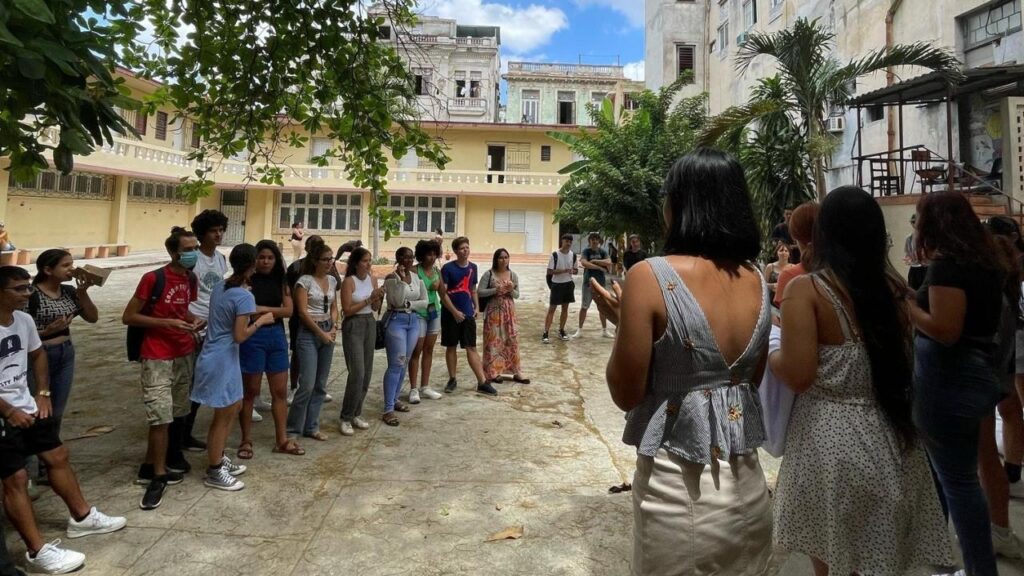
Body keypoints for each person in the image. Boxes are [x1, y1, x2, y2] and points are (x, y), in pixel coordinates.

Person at [590, 148, 772, 574]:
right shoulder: (758, 279)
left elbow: (625, 392)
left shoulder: (649, 276)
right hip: (749, 490)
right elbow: (746, 381)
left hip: (677, 495)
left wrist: (626, 327)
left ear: (680, 205)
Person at [770, 186, 953, 576]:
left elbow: (799, 373)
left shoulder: (809, 290)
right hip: (892, 436)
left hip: (830, 447)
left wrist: (770, 354)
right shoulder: (893, 290)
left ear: (824, 234)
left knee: (834, 563)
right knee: (880, 560)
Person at [0, 266, 127, 574]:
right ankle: (36, 550)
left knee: (57, 455)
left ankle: (82, 518)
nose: (27, 294)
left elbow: (38, 354)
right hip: (5, 416)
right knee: (15, 479)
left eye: (28, 287)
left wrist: (42, 393)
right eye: (19, 289)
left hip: (27, 404)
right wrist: (8, 411)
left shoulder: (24, 320)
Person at [907, 191, 1008, 576]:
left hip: (948, 379)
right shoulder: (985, 263)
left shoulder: (948, 267)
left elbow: (946, 330)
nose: (916, 227)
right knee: (944, 476)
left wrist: (910, 308)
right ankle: (942, 566)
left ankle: (979, 569)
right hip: (976, 373)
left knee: (959, 482)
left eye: (918, 219)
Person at [122, 227, 202, 509]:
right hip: (156, 355)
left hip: (183, 352)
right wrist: (166, 324)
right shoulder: (153, 279)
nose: (192, 253)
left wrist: (194, 322)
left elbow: (182, 311)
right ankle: (158, 473)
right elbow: (129, 316)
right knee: (160, 414)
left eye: (195, 248)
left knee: (177, 411)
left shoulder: (190, 278)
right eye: (187, 249)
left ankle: (151, 463)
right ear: (172, 252)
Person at [192, 244, 275, 491]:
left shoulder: (221, 287)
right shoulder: (244, 296)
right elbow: (240, 335)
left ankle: (218, 457)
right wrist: (261, 321)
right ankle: (215, 470)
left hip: (218, 356)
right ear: (252, 266)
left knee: (235, 406)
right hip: (222, 359)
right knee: (224, 415)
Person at [978, 216, 1024, 558]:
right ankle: (1012, 473)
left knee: (979, 454)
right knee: (1011, 409)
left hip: (995, 361)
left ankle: (1010, 474)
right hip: (1005, 355)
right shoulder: (1006, 273)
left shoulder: (988, 274)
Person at [237, 240, 300, 458]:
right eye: (261, 257)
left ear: (276, 260)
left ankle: (281, 439)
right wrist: (271, 312)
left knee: (280, 392)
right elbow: (245, 312)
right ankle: (245, 440)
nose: (265, 261)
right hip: (252, 336)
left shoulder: (281, 281)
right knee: (250, 392)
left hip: (276, 337)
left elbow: (289, 310)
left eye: (270, 257)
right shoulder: (246, 282)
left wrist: (262, 310)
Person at [27, 250, 98, 429]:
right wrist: (46, 332)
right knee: (37, 406)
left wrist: (82, 292)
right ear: (48, 270)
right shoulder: (31, 295)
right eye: (65, 266)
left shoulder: (69, 291)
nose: (71, 270)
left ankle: (51, 451)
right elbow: (18, 331)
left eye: (72, 265)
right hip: (38, 354)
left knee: (57, 410)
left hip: (65, 353)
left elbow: (92, 317)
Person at [184, 209, 231, 449]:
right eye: (213, 231)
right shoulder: (192, 259)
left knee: (201, 381)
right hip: (193, 325)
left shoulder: (221, 259)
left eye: (221, 230)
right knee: (188, 382)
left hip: (214, 327)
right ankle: (180, 434)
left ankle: (186, 433)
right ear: (202, 234)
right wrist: (189, 318)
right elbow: (182, 293)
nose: (218, 235)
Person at [286, 242, 338, 442]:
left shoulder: (332, 281)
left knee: (320, 384)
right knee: (306, 383)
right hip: (309, 332)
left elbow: (334, 307)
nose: (329, 263)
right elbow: (302, 312)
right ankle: (292, 430)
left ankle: (311, 425)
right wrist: (320, 333)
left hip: (327, 329)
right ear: (315, 261)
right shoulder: (305, 281)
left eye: (331, 259)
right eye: (325, 259)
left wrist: (333, 327)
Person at [439, 237, 495, 395]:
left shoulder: (473, 267)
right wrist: (454, 312)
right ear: (456, 251)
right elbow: (443, 294)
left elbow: (472, 289)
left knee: (471, 346)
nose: (465, 250)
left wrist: (476, 306)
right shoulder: (448, 269)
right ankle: (452, 378)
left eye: (467, 247)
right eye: (462, 248)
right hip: (450, 314)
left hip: (468, 313)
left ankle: (482, 381)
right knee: (451, 346)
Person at [339, 247, 384, 436]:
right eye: (365, 260)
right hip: (354, 325)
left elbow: (375, 307)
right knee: (356, 372)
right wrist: (368, 300)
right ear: (356, 263)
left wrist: (379, 298)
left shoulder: (372, 279)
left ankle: (357, 411)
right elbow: (347, 309)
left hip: (369, 323)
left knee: (367, 372)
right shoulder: (349, 282)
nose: (368, 264)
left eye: (370, 260)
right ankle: (346, 416)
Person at [381, 247, 429, 426]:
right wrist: (401, 280)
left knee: (405, 361)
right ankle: (388, 409)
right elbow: (398, 301)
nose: (408, 261)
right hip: (396, 321)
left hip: (413, 321)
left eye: (411, 257)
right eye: (404, 257)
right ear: (398, 258)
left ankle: (394, 399)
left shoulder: (417, 278)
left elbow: (424, 301)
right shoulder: (391, 279)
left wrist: (411, 304)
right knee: (396, 363)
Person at [478, 249, 529, 385]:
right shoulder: (489, 274)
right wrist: (496, 290)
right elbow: (480, 292)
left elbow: (517, 295)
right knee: (493, 341)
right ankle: (492, 372)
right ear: (496, 259)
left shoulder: (513, 275)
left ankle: (516, 370)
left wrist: (511, 289)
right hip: (493, 312)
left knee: (511, 340)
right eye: (501, 258)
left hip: (509, 312)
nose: (504, 260)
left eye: (506, 257)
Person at [407, 240, 444, 404]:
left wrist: (441, 285)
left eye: (435, 254)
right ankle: (413, 388)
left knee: (429, 350)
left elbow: (443, 293)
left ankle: (425, 386)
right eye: (429, 254)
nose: (432, 257)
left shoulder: (437, 270)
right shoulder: (415, 270)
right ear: (422, 255)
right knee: (417, 350)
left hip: (434, 312)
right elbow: (408, 292)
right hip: (419, 313)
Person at [773, 202, 819, 308]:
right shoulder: (841, 271)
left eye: (791, 214)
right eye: (787, 214)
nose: (788, 216)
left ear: (795, 235)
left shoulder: (790, 277)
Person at [574, 232, 613, 339]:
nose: (595, 241)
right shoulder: (586, 251)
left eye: (596, 239)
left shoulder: (603, 251)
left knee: (603, 307)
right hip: (588, 283)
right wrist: (600, 267)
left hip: (600, 284)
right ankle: (580, 330)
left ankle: (605, 330)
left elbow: (609, 262)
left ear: (599, 241)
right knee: (584, 306)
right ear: (589, 241)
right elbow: (584, 263)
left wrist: (595, 261)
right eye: (592, 239)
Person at [542, 234, 577, 344]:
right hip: (557, 284)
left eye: (570, 241)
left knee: (565, 309)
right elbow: (549, 271)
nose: (569, 243)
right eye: (567, 241)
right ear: (562, 241)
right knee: (552, 309)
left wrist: (572, 271)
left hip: (568, 284)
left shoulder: (573, 255)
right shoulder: (555, 255)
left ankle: (561, 330)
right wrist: (564, 270)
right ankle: (545, 332)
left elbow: (576, 270)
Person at [904, 213, 927, 290]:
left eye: (916, 222)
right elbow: (907, 254)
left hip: (925, 268)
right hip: (914, 268)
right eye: (913, 222)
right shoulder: (909, 238)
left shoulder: (927, 238)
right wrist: (908, 259)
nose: (915, 224)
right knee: (912, 288)